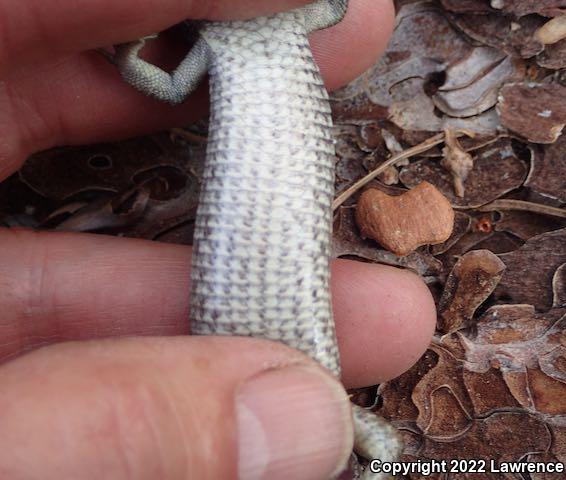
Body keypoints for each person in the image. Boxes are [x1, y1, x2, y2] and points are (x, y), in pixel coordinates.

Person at [0, 1, 436, 478]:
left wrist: (127, 55)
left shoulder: (297, 16)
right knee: (335, 404)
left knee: (357, 428)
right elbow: (170, 86)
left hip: (257, 295)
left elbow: (334, 8)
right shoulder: (229, 32)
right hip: (268, 300)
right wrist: (127, 58)